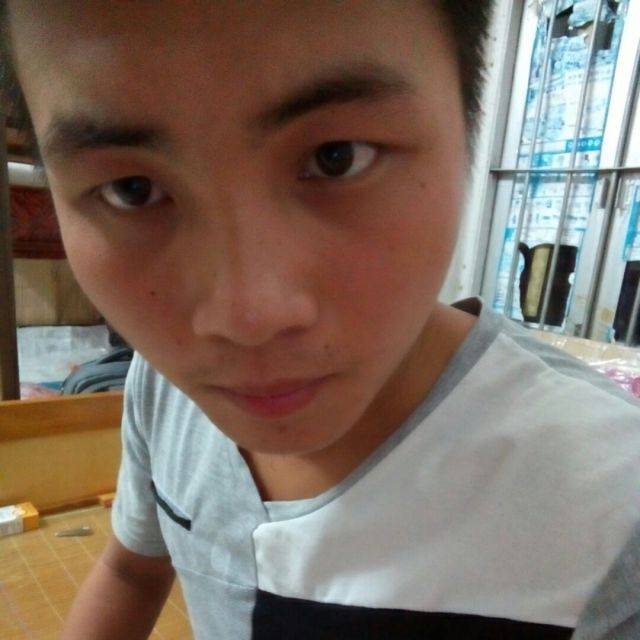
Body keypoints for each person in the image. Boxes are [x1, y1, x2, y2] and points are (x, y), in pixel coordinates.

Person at [2, 1, 639, 638]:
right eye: (132, 190)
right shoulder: (163, 391)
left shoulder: (612, 507)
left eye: (337, 157)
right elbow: (131, 572)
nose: (247, 318)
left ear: (468, 130)